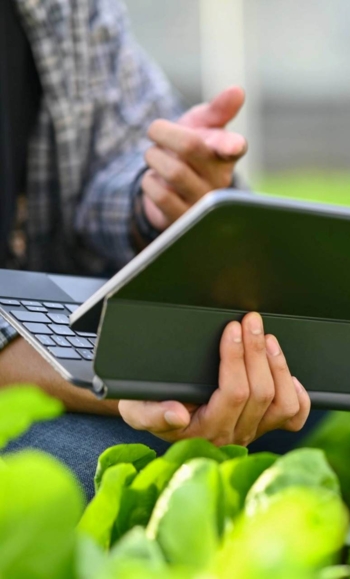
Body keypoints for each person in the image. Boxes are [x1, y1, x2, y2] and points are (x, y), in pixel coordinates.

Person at [0, 0, 312, 495]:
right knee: (73, 473)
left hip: (54, 318)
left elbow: (120, 150)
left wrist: (160, 197)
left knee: (314, 361)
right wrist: (126, 384)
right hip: (27, 364)